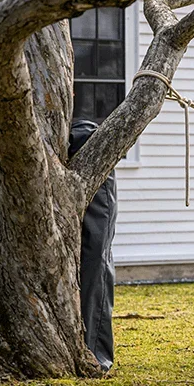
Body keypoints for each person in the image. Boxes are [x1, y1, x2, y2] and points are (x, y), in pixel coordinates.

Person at [69, 120, 118, 372]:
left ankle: (94, 350)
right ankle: (94, 352)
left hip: (82, 144)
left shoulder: (87, 139)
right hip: (79, 144)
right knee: (95, 262)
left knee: (95, 260)